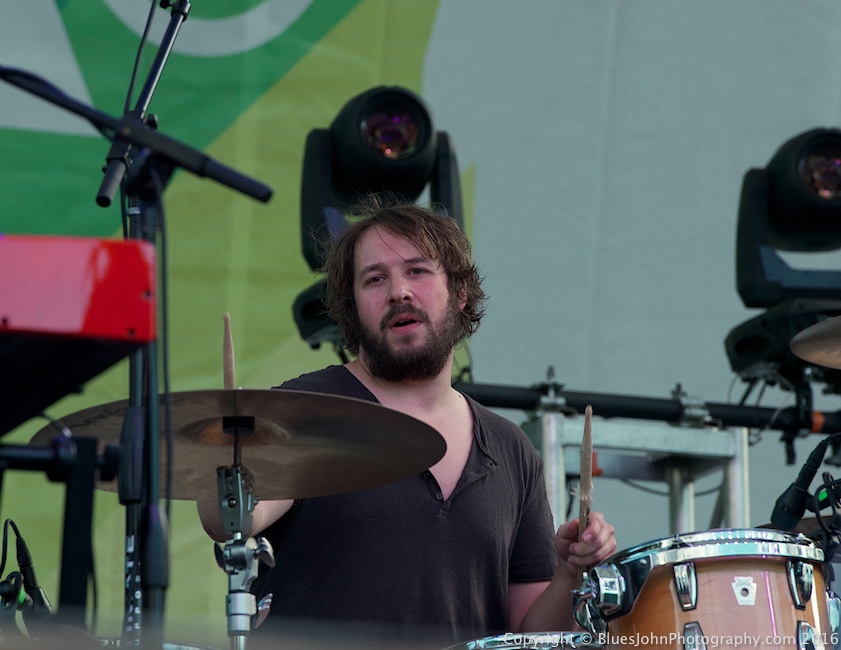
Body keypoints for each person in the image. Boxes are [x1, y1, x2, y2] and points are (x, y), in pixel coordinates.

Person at [198, 196, 616, 643]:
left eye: (417, 270)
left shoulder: (510, 449)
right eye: (375, 279)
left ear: (459, 292)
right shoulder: (310, 408)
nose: (398, 291)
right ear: (354, 310)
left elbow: (531, 633)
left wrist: (571, 574)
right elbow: (228, 519)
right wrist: (230, 466)